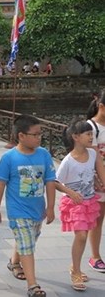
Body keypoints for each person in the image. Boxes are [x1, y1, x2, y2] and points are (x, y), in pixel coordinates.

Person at [0, 115, 56, 297]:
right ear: (21, 135)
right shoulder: (9, 158)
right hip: (18, 211)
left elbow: (50, 182)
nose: (39, 137)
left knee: (28, 240)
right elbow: (0, 185)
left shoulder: (44, 154)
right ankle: (33, 286)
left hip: (37, 210)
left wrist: (51, 207)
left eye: (40, 134)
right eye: (35, 134)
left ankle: (14, 262)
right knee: (27, 245)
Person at [56, 119, 105, 291]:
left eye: (92, 134)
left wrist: (98, 182)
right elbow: (55, 181)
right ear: (76, 137)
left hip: (89, 201)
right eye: (88, 134)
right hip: (74, 203)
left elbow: (101, 175)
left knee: (82, 236)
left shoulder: (93, 154)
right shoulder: (68, 160)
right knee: (82, 235)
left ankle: (75, 267)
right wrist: (70, 193)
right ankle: (76, 271)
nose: (91, 137)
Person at [86, 89, 105, 273]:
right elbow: (88, 155)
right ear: (101, 106)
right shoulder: (91, 127)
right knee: (97, 219)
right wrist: (94, 177)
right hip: (98, 181)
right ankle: (95, 255)